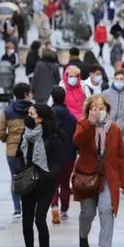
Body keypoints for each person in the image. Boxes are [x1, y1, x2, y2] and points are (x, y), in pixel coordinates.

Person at [73, 94, 124, 247]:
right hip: (87, 177)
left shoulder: (115, 129)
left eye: (101, 108)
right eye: (93, 108)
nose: (97, 111)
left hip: (108, 177)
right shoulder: (83, 125)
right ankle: (83, 236)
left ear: (107, 110)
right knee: (88, 213)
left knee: (106, 210)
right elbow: (77, 142)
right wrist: (90, 123)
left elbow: (121, 157)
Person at [17, 104, 66, 247]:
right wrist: (20, 171)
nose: (28, 117)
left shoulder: (52, 137)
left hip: (45, 183)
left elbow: (60, 161)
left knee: (40, 219)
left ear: (40, 118)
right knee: (26, 221)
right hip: (28, 181)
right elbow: (18, 154)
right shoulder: (26, 135)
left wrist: (49, 175)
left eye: (32, 114)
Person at [0, 83, 34, 220]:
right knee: (29, 178)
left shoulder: (7, 110)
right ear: (25, 94)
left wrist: (7, 138)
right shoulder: (33, 109)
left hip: (12, 150)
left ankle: (17, 209)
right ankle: (28, 206)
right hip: (29, 148)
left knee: (15, 178)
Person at [49, 86, 79, 224]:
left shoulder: (47, 116)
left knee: (53, 183)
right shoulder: (72, 118)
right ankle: (64, 211)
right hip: (68, 155)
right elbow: (75, 137)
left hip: (51, 156)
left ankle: (54, 205)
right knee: (65, 184)